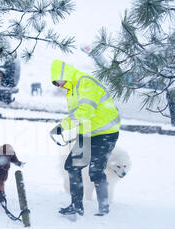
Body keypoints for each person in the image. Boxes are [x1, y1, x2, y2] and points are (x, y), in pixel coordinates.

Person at [49, 60, 121, 216]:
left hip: (105, 133)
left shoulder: (85, 82)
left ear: (65, 74)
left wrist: (63, 126)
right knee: (72, 167)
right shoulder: (72, 89)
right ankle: (76, 206)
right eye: (57, 84)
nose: (60, 85)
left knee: (96, 171)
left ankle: (104, 207)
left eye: (60, 81)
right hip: (88, 133)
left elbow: (85, 112)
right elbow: (82, 118)